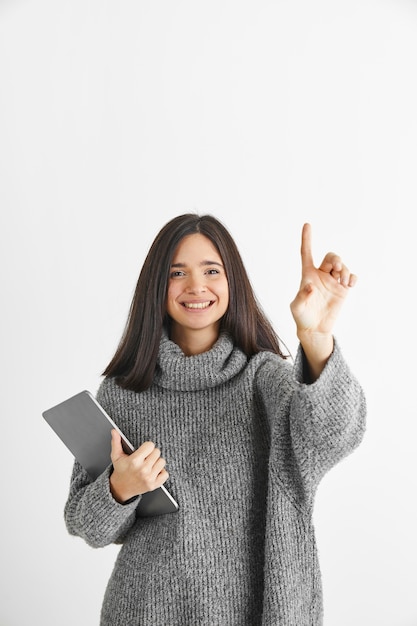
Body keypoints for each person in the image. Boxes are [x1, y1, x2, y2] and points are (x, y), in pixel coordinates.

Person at [64, 213, 366, 626]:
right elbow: (86, 524)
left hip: (256, 611)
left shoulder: (265, 380)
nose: (196, 287)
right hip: (144, 611)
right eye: (177, 273)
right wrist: (120, 488)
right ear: (157, 286)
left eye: (211, 270)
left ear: (232, 283)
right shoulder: (123, 393)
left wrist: (316, 339)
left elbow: (335, 434)